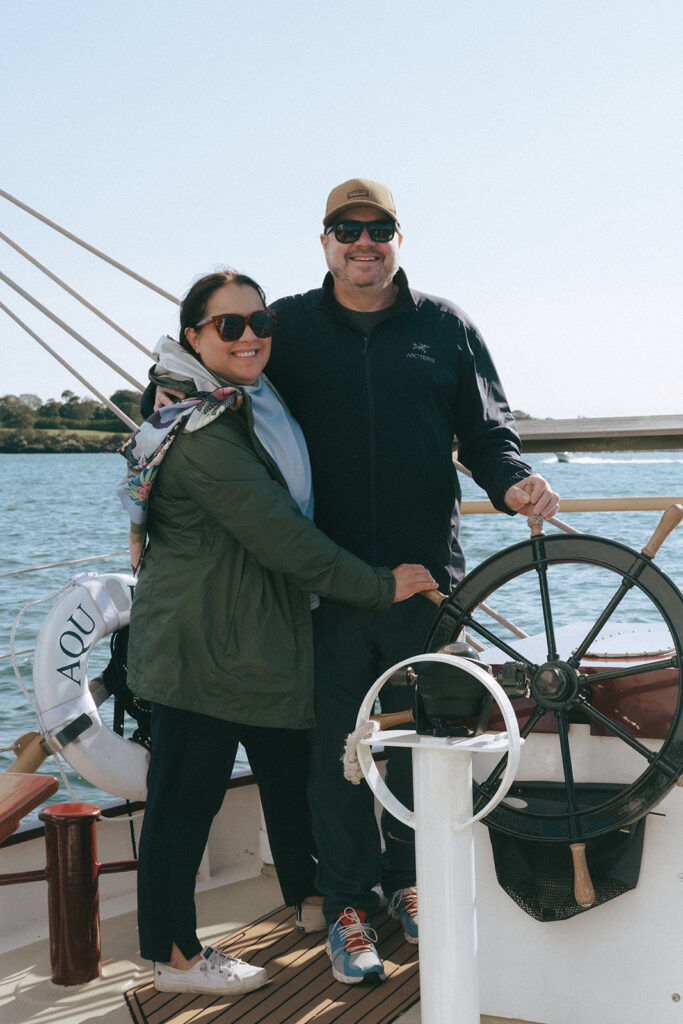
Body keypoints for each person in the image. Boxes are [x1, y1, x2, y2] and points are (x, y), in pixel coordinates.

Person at [148, 179, 560, 986]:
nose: (363, 242)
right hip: (326, 588)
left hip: (431, 585)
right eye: (347, 229)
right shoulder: (286, 327)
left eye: (379, 229)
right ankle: (345, 906)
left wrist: (512, 482)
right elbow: (204, 382)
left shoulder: (445, 327)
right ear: (325, 239)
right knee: (337, 755)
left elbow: (485, 433)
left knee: (423, 748)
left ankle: (410, 887)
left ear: (398, 238)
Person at [124, 269, 436, 996]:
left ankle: (314, 898)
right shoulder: (201, 431)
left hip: (255, 634)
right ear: (193, 337)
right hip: (201, 642)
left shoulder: (251, 398)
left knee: (294, 767)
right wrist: (377, 585)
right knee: (184, 802)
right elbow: (281, 536)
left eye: (259, 322)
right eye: (227, 325)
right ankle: (173, 960)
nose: (250, 337)